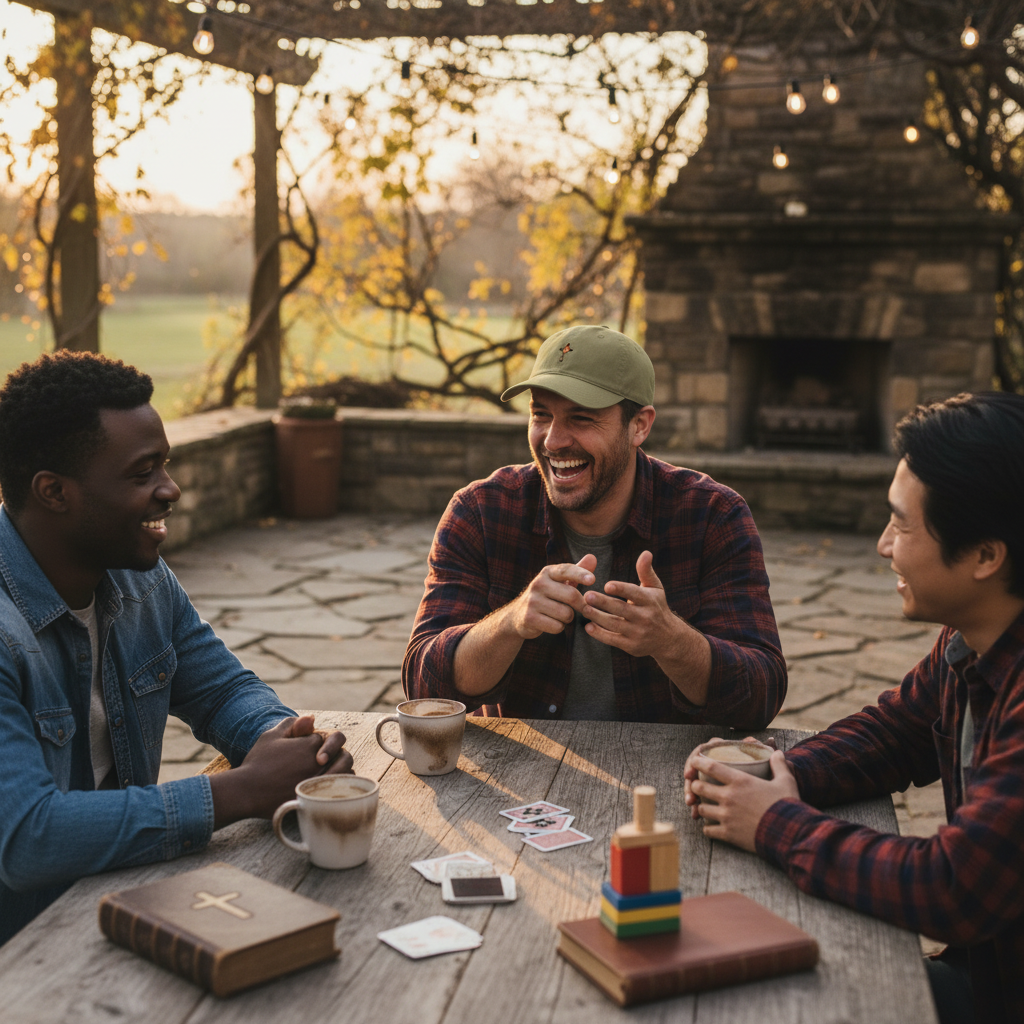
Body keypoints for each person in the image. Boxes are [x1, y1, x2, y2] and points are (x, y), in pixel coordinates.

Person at [685, 392, 1024, 1024]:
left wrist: (775, 823)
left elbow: (954, 887)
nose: (881, 544)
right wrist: (765, 769)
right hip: (983, 973)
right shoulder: (970, 641)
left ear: (985, 555)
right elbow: (896, 732)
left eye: (902, 524)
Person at [0, 351, 354, 947]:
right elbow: (28, 839)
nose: (172, 489)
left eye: (165, 464)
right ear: (54, 492)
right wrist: (240, 791)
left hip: (124, 899)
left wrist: (282, 741)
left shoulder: (139, 579)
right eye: (143, 474)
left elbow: (221, 689)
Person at [404, 325, 785, 726]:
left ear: (639, 425)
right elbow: (424, 689)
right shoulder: (480, 511)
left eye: (581, 419)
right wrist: (510, 623)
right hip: (521, 777)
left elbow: (761, 698)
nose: (553, 440)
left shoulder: (713, 515)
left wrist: (671, 641)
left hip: (667, 776)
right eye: (541, 414)